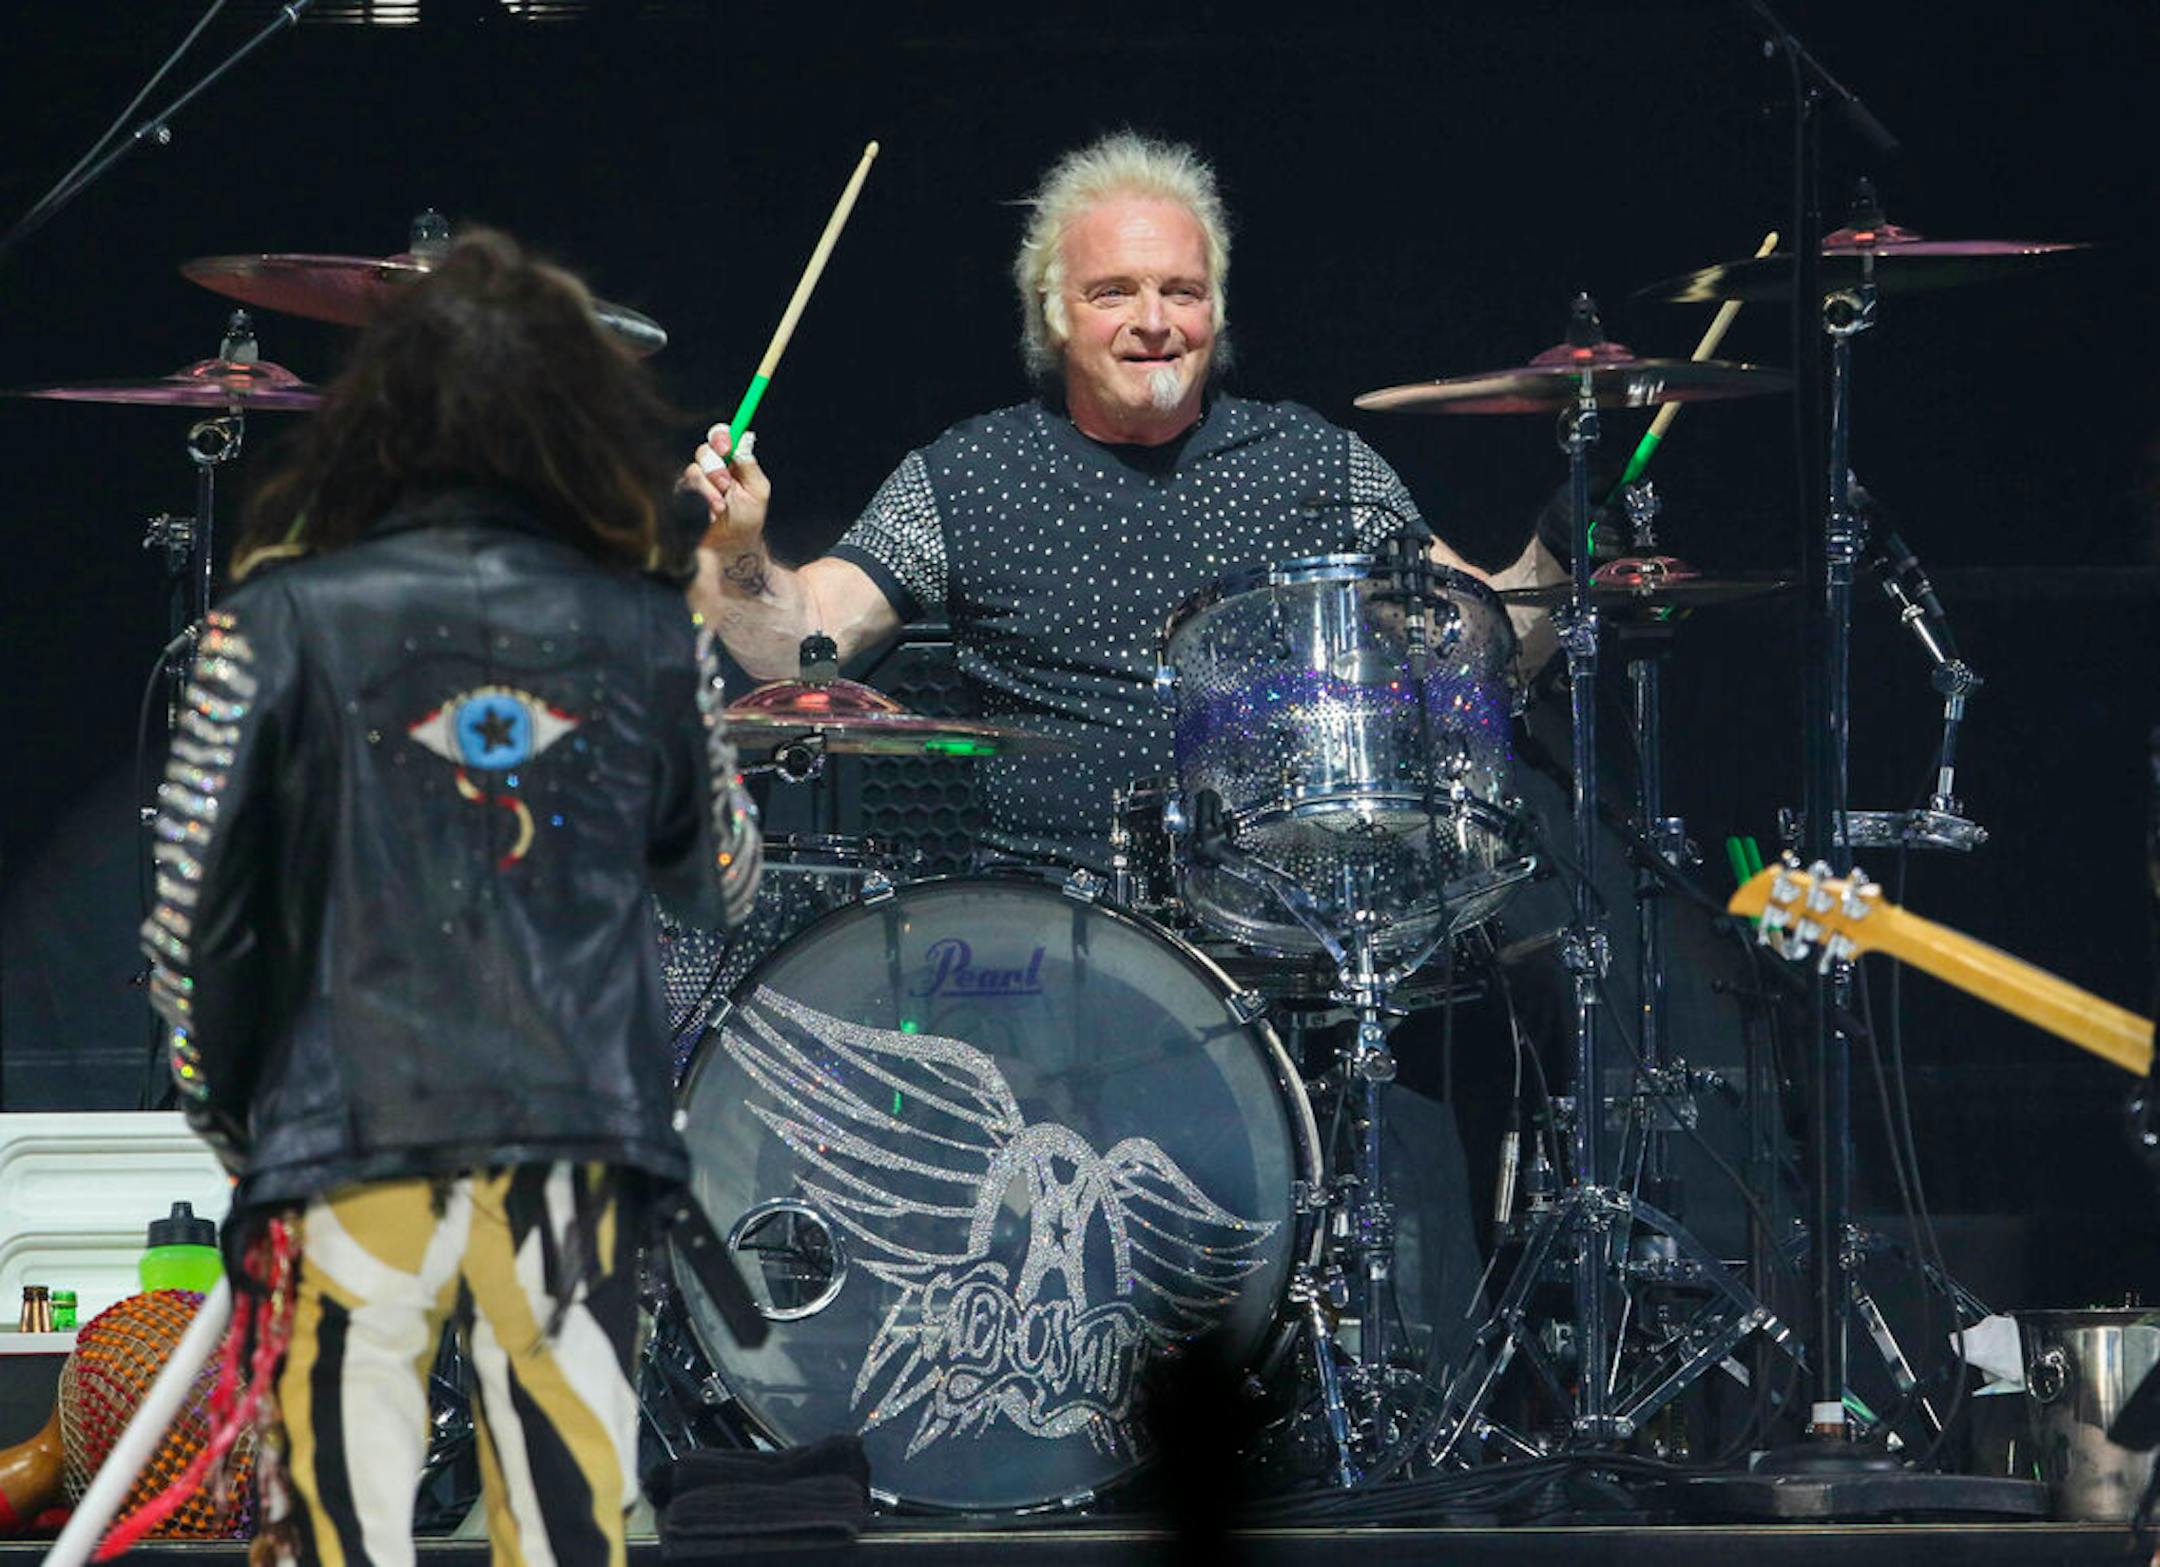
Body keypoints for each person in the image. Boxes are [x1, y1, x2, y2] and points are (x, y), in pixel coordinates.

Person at [137, 230, 759, 1567]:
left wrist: (231, 1113)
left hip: (347, 1126)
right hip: (574, 1141)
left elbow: (192, 914)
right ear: (576, 418)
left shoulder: (279, 617)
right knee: (562, 1525)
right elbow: (718, 879)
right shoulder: (647, 625)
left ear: (377, 419)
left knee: (344, 1526)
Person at [683, 130, 1563, 870]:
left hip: (1284, 929)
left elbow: (1484, 651)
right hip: (1041, 936)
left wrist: (1564, 543)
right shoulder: (969, 472)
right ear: (1055, 315)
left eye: (1181, 291)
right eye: (1115, 292)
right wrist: (736, 550)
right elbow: (798, 646)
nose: (1154, 320)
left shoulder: (1315, 461)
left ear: (1215, 309)